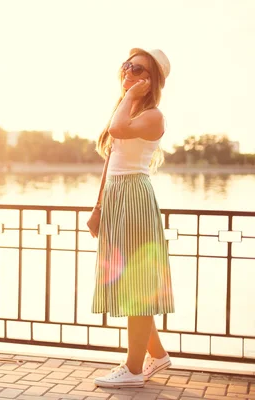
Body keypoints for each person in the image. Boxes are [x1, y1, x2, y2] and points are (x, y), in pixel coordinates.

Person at [91, 48, 175, 388]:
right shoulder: (128, 109)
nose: (128, 70)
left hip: (135, 196)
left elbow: (118, 130)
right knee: (128, 281)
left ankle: (134, 370)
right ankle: (158, 355)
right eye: (126, 65)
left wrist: (128, 96)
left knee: (137, 284)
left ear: (150, 79)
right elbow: (110, 161)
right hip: (116, 196)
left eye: (137, 67)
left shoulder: (153, 115)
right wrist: (98, 208)